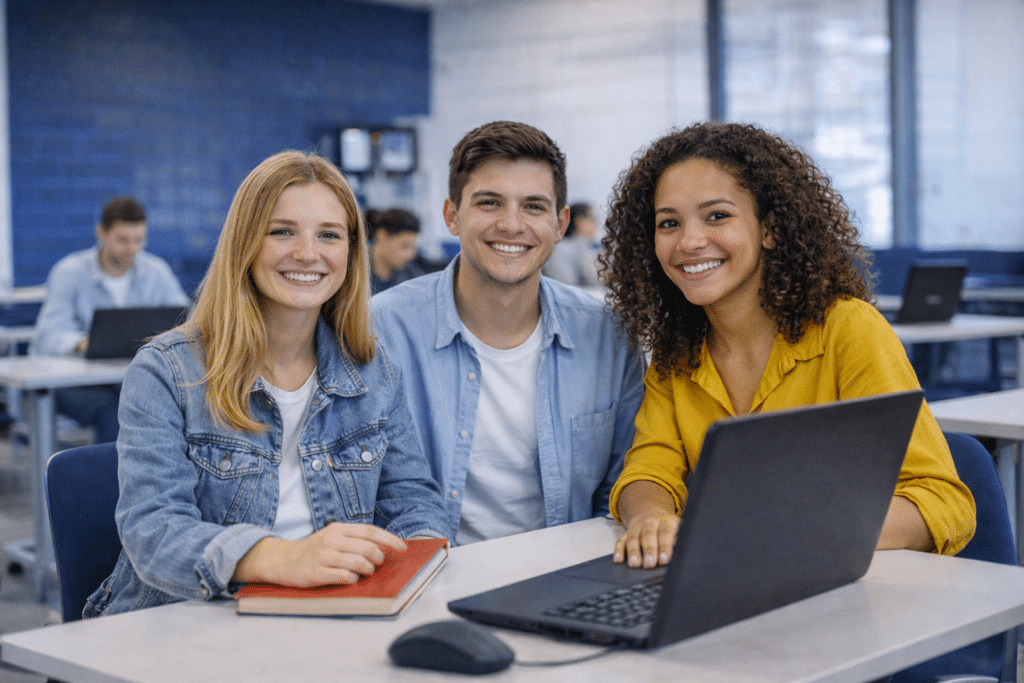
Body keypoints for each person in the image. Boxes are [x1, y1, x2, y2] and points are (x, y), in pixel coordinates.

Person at [84, 151, 448, 618]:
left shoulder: (373, 369)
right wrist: (283, 557)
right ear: (245, 242)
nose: (308, 253)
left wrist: (415, 571)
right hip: (186, 618)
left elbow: (414, 502)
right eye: (282, 231)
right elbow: (154, 534)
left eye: (329, 235)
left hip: (332, 614)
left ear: (351, 253)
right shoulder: (166, 371)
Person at [600, 121, 975, 569]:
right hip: (735, 583)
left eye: (717, 215)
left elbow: (941, 501)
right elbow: (650, 465)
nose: (690, 241)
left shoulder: (847, 329)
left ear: (770, 229)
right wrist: (650, 517)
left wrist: (786, 532)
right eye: (669, 223)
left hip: (849, 589)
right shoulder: (677, 351)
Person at [372, 120, 646, 545]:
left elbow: (622, 482)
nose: (512, 225)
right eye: (489, 203)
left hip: (563, 575)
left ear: (560, 224)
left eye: (534, 207)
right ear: (451, 216)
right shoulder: (381, 330)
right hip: (425, 575)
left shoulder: (608, 337)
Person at [31, 195, 190, 444]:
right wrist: (83, 342)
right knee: (116, 413)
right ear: (101, 233)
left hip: (131, 377)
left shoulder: (156, 271)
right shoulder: (69, 272)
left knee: (167, 406)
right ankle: (109, 483)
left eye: (139, 240)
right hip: (75, 383)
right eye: (122, 240)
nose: (132, 249)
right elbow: (47, 336)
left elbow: (184, 320)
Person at [541, 202, 602, 287]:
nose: (596, 224)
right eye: (593, 219)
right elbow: (566, 286)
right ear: (578, 221)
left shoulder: (586, 245)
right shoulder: (561, 248)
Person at [367, 207, 426, 294]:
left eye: (413, 247)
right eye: (404, 246)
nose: (410, 254)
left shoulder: (411, 275)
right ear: (381, 236)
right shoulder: (353, 273)